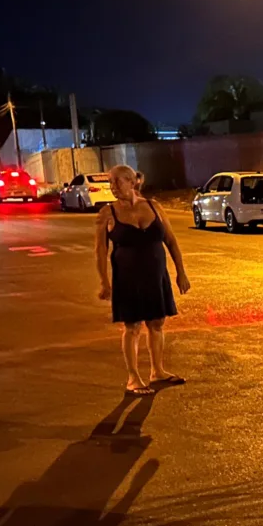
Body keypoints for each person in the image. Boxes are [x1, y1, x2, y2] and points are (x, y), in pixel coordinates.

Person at [95, 164, 192, 396]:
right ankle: (133, 377)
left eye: (117, 182)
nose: (113, 187)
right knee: (133, 327)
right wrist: (104, 282)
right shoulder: (107, 213)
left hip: (156, 275)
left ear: (132, 181)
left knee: (157, 323)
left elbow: (171, 241)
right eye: (110, 183)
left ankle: (157, 371)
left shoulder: (154, 207)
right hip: (127, 278)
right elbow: (100, 250)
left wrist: (181, 272)